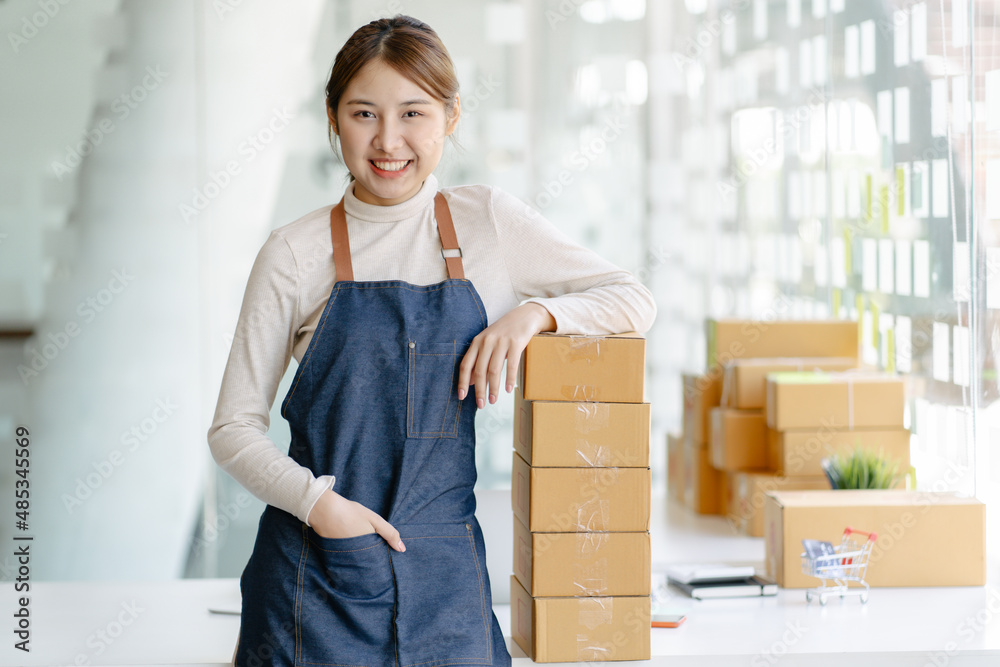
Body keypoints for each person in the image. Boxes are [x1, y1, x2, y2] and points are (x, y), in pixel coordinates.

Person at [208, 14, 656, 667]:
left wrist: (534, 315)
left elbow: (632, 297)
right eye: (364, 113)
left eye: (413, 112)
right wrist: (318, 504)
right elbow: (232, 428)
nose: (388, 140)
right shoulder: (293, 253)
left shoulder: (488, 224)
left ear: (450, 116)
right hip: (315, 579)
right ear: (332, 118)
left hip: (446, 584)